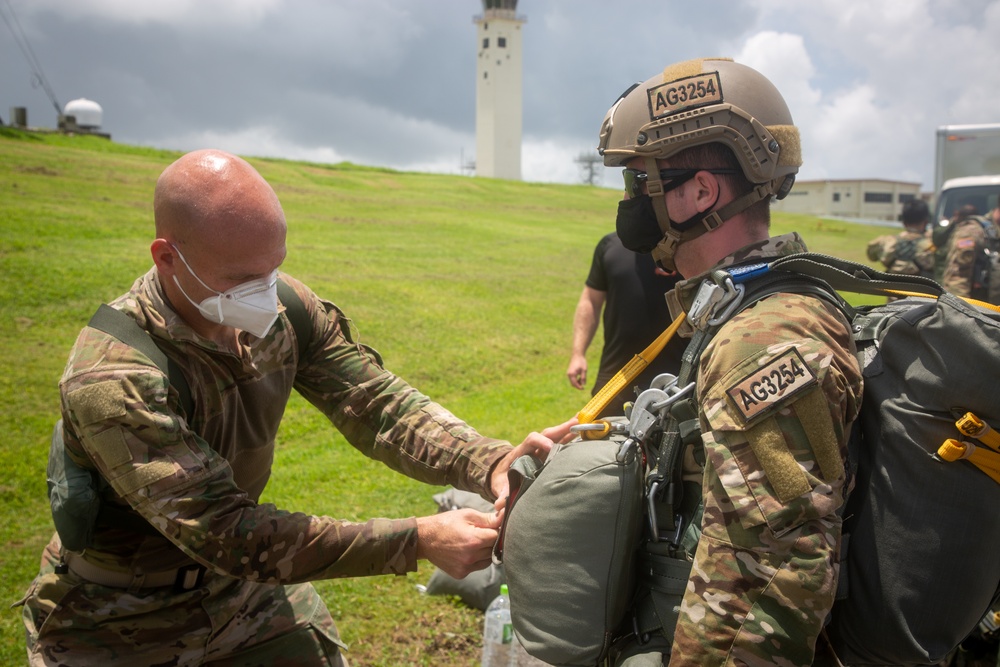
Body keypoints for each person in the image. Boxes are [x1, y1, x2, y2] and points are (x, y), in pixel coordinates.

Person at [17, 149, 570, 666]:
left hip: (242, 597)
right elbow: (227, 533)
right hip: (116, 618)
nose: (265, 291)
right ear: (167, 257)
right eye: (241, 279)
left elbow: (375, 404)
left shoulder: (283, 311)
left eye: (273, 269)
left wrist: (487, 462)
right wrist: (417, 538)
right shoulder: (116, 377)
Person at [597, 58, 863, 665]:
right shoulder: (739, 309)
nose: (633, 203)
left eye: (642, 183)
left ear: (701, 191)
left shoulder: (761, 340)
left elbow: (774, 571)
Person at [566, 232, 685, 417]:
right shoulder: (611, 245)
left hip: (677, 381)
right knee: (601, 444)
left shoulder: (687, 246)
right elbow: (591, 299)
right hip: (615, 380)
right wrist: (578, 353)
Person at [940, 203, 1000, 301]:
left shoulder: (996, 231)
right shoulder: (973, 231)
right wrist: (961, 311)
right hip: (980, 308)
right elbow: (957, 279)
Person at [866, 198, 934, 281]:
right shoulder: (932, 244)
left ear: (904, 222)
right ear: (926, 221)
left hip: (893, 292)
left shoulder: (886, 242)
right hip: (924, 291)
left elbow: (871, 256)